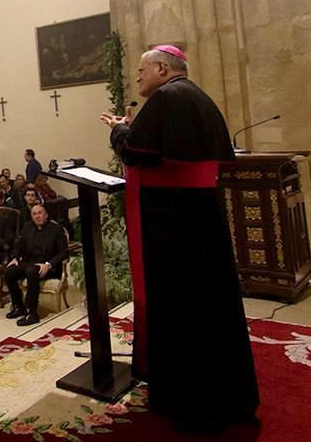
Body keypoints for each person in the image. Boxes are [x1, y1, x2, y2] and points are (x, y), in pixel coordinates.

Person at [100, 45, 258, 429]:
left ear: (160, 68)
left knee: (181, 305)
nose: (137, 78)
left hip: (172, 219)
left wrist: (119, 130)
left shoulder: (167, 98)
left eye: (140, 71)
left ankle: (191, 402)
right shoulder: (196, 96)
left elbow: (138, 151)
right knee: (212, 305)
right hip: (201, 213)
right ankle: (231, 395)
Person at [4, 204, 67, 326]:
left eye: (40, 213)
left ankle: (31, 313)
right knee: (9, 271)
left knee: (32, 271)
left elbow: (64, 252)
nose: (37, 216)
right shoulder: (27, 227)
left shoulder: (56, 229)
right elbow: (18, 244)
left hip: (49, 266)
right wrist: (15, 258)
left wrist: (49, 264)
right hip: (29, 262)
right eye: (34, 214)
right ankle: (19, 306)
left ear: (46, 215)